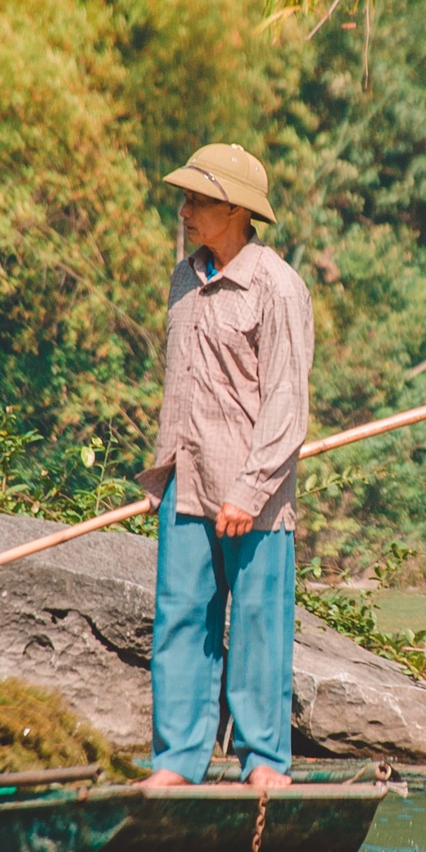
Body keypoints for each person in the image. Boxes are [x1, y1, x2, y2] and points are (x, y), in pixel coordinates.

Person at [137, 143, 314, 790]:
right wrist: (165, 475)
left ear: (236, 211)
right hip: (187, 481)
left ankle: (265, 760)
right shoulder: (185, 277)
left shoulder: (278, 286)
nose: (183, 211)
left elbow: (287, 402)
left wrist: (249, 488)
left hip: (255, 494)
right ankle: (177, 761)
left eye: (196, 201)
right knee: (181, 619)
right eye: (184, 199)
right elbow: (180, 385)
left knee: (261, 626)